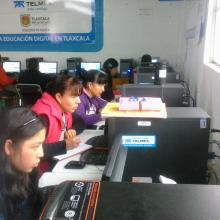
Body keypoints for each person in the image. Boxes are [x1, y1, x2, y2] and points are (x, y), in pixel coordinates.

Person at [0, 107, 46, 220]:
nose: (42, 153)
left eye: (41, 145)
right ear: (9, 147)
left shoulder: (25, 171)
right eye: (35, 146)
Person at [32, 75, 82, 172]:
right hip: (40, 171)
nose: (78, 101)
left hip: (56, 161)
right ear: (59, 97)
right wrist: (64, 145)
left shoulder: (63, 108)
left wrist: (73, 130)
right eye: (74, 96)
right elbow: (32, 151)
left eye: (79, 96)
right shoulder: (43, 116)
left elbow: (81, 122)